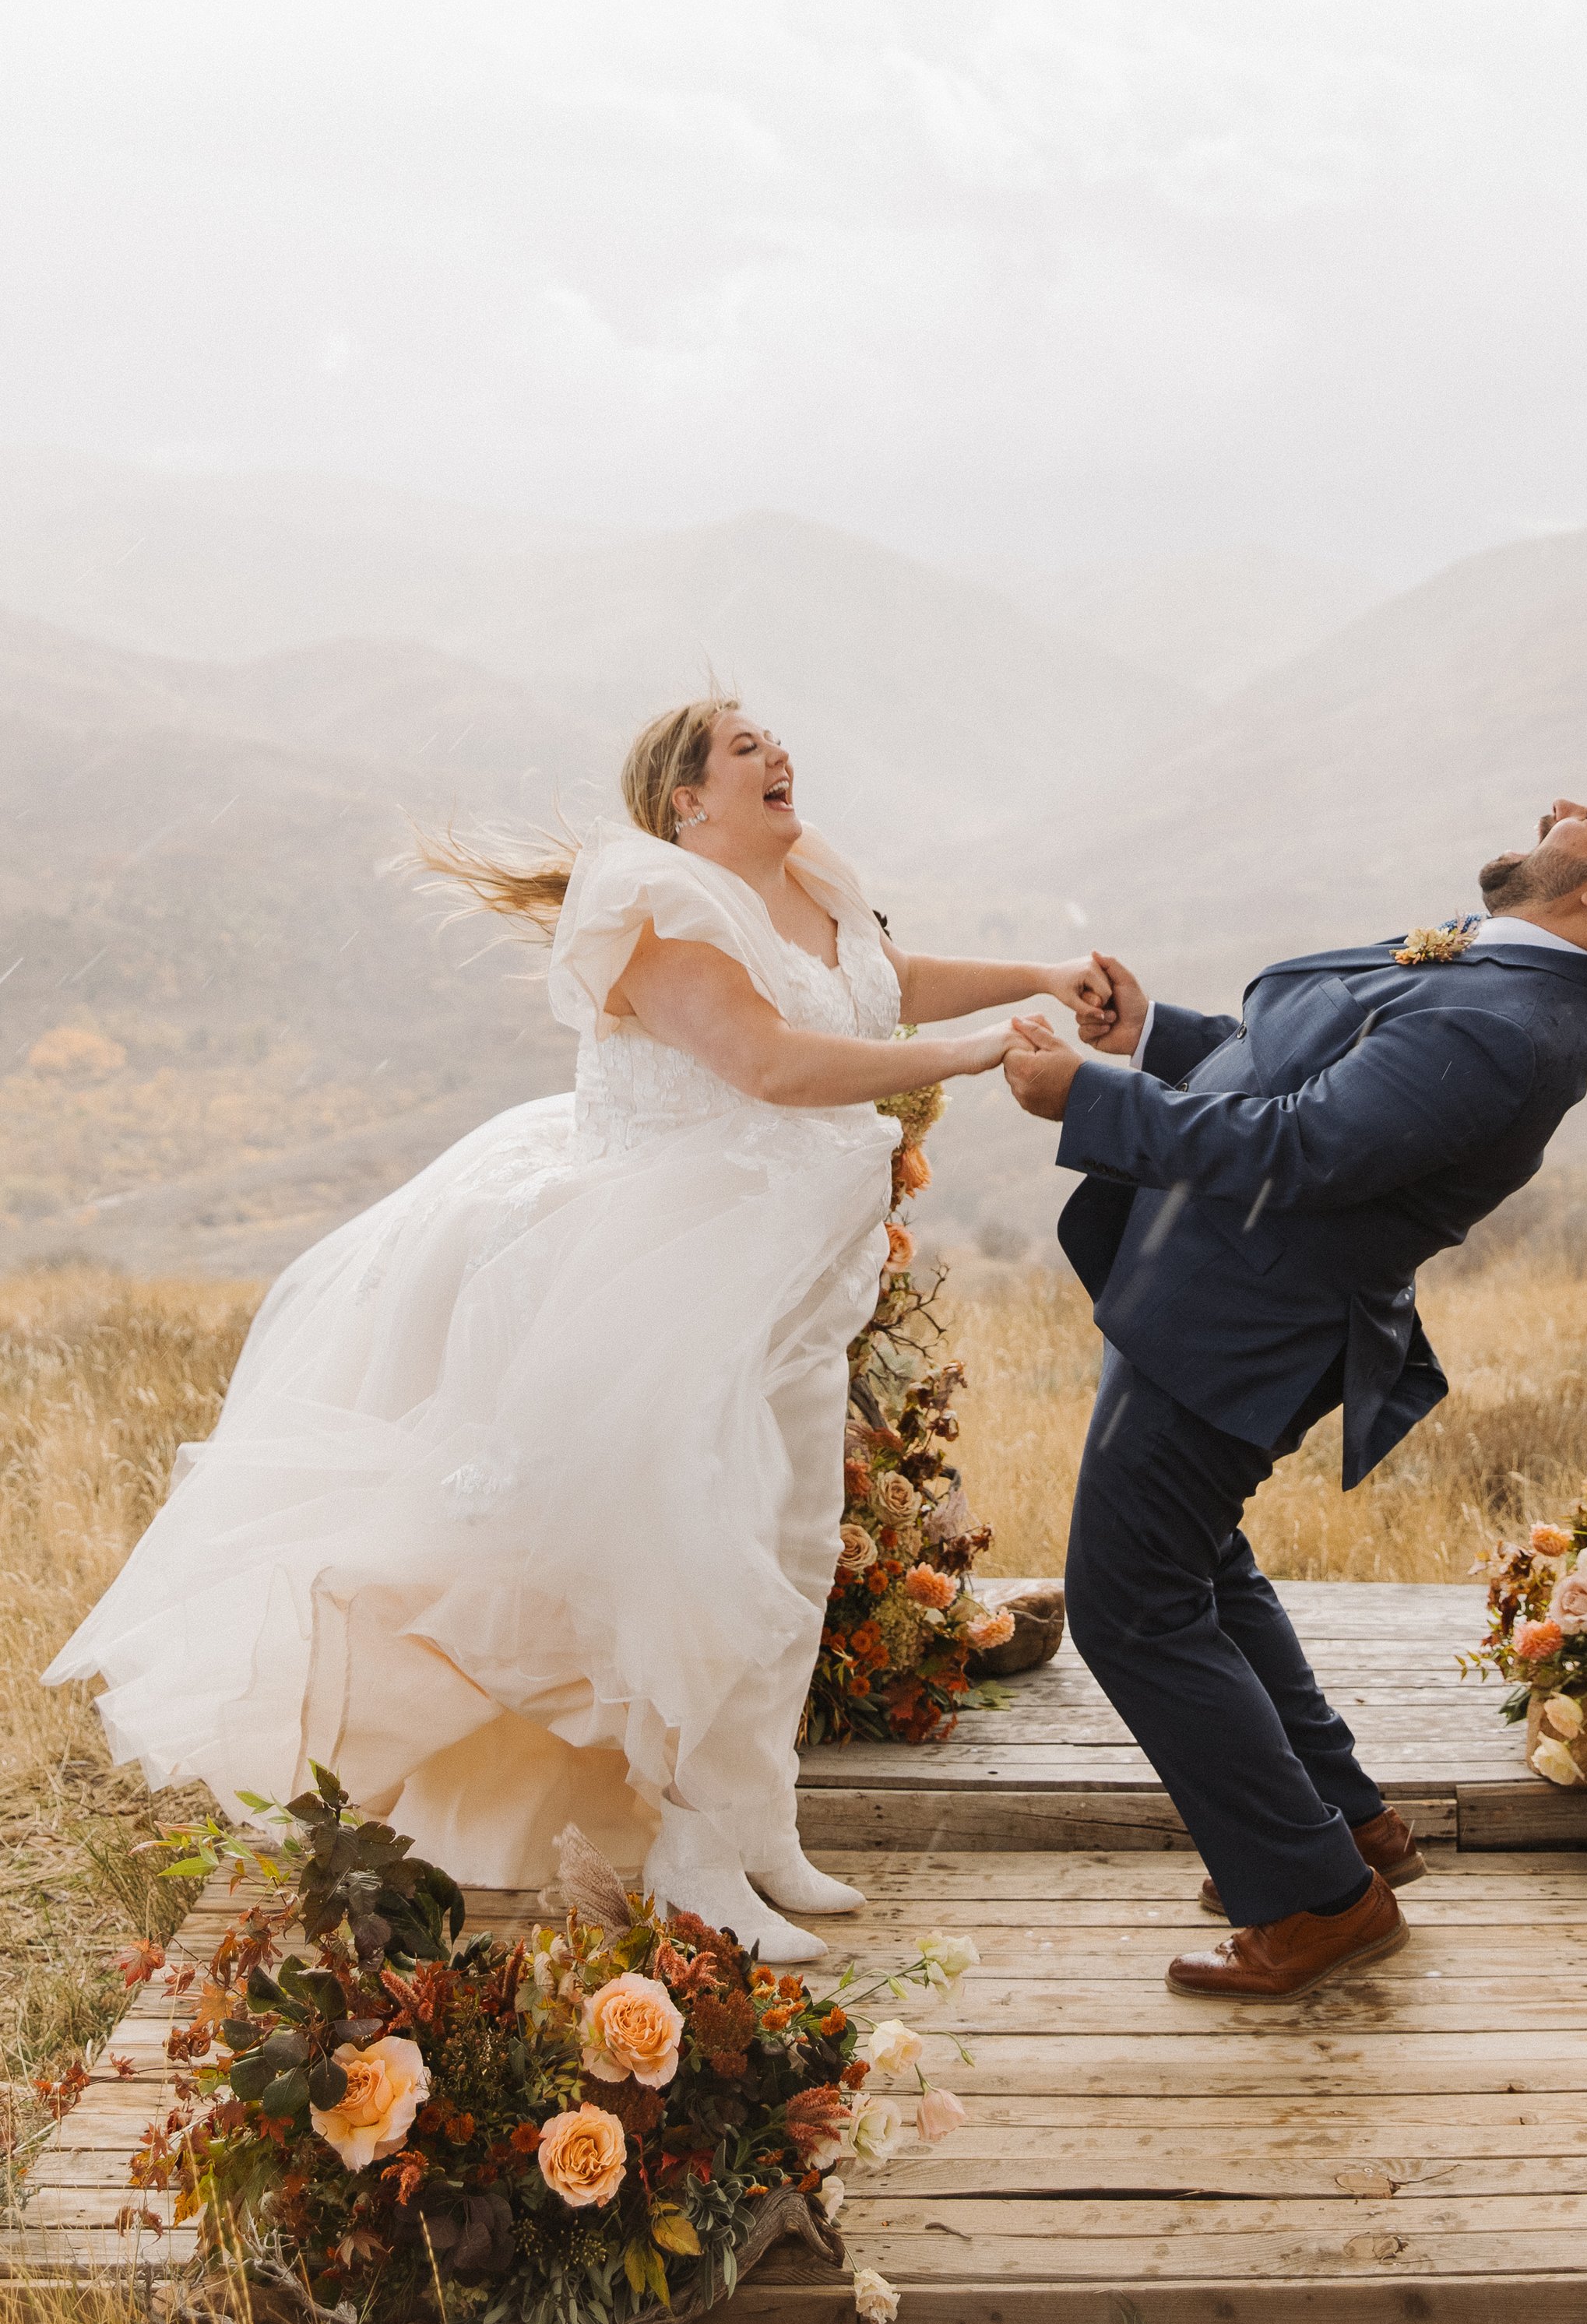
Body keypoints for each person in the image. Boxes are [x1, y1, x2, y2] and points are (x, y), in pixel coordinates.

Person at [48, 697, 1107, 1964]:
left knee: (793, 1546)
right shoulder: (655, 911)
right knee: (694, 1557)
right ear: (685, 801)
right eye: (742, 747)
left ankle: (759, 1826)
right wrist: (980, 1049)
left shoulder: (813, 887)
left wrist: (1038, 977)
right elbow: (765, 1061)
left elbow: (885, 984)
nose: (777, 752)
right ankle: (690, 1859)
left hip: (790, 1275)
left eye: (775, 735)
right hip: (660, 1280)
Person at [1001, 775, 1587, 2002]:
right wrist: (1155, 1037)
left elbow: (1295, 1152)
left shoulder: (1508, 1026)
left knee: (1127, 1604)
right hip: (1214, 1290)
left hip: (1240, 1317)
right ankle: (1344, 1819)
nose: (1562, 801)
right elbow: (1308, 1064)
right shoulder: (1508, 975)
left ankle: (1316, 1899)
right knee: (1193, 1561)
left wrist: (1092, 1100)